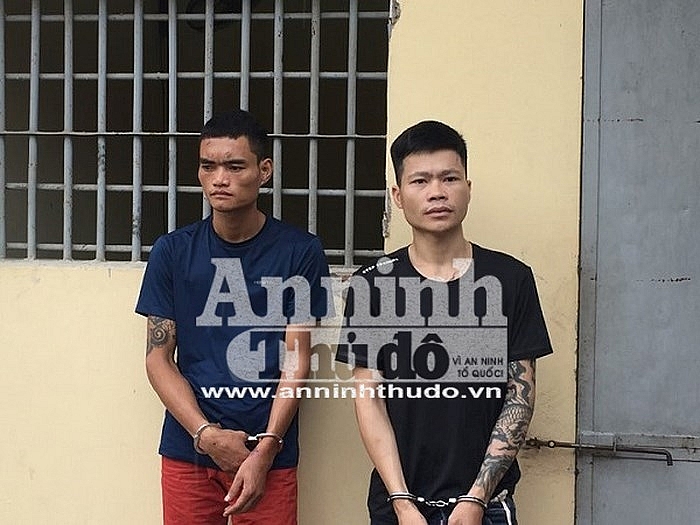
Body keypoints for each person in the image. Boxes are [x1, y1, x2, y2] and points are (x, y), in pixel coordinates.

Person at [337, 120, 553, 525]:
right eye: (420, 181)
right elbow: (369, 400)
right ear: (398, 196)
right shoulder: (372, 285)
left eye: (449, 178)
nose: (437, 192)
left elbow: (519, 397)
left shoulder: (510, 279)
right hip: (399, 506)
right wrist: (402, 503)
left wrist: (476, 499)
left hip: (485, 506)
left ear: (468, 188)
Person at [136, 109, 330, 525]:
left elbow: (297, 359)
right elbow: (158, 358)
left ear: (264, 171)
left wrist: (266, 449)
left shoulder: (300, 252)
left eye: (235, 166)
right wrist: (206, 435)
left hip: (268, 451)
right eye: (208, 166)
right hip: (189, 449)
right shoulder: (173, 251)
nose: (219, 179)